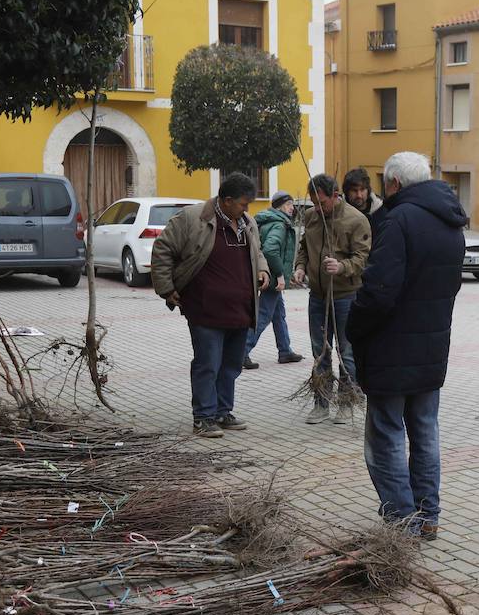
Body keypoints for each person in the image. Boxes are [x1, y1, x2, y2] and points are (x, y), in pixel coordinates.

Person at [347, 152, 467, 541]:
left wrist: (355, 327)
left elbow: (379, 292)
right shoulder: (451, 220)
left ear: (394, 184)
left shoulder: (398, 219)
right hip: (432, 347)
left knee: (385, 437)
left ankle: (403, 521)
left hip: (391, 350)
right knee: (425, 432)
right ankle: (428, 515)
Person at [151, 173, 267, 438]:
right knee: (208, 364)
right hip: (205, 309)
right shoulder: (192, 219)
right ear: (226, 201)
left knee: (231, 365)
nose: (247, 209)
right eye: (242, 204)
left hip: (240, 309)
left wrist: (263, 271)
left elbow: (257, 252)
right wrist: (166, 288)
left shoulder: (247, 223)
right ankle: (203, 417)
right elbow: (162, 250)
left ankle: (223, 412)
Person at [294, 173, 371, 424]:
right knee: (320, 352)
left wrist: (342, 267)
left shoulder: (356, 220)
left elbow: (363, 258)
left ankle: (346, 403)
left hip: (346, 297)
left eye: (322, 203)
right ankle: (321, 403)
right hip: (317, 296)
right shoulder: (310, 217)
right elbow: (304, 247)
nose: (317, 208)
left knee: (346, 352)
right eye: (314, 203)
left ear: (336, 196)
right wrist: (300, 267)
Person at [242, 191, 304, 370]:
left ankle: (285, 350)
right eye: (289, 204)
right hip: (272, 277)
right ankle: (242, 351)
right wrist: (279, 274)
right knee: (263, 315)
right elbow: (270, 250)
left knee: (279, 315)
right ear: (280, 206)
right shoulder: (279, 224)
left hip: (267, 274)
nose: (292, 208)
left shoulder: (269, 220)